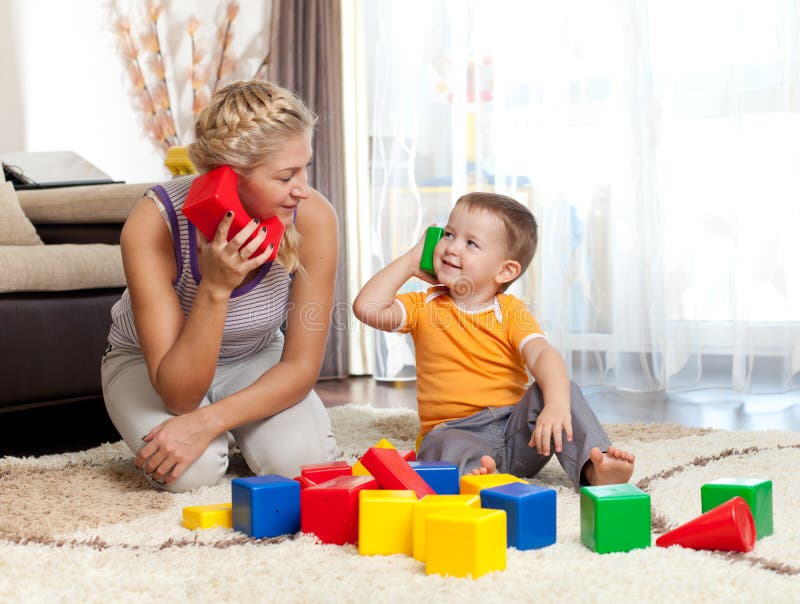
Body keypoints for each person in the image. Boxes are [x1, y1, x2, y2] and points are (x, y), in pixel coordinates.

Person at [102, 80, 338, 492]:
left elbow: (301, 367)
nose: (302, 189)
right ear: (226, 177)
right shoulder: (153, 223)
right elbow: (178, 397)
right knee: (191, 474)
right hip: (147, 364)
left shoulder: (314, 217)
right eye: (285, 176)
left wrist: (208, 421)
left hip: (253, 356)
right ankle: (228, 440)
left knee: (302, 466)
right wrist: (215, 287)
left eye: (305, 168)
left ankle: (235, 432)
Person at [353, 192, 634, 488]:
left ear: (505, 270)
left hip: (516, 431)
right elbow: (366, 308)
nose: (451, 248)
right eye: (448, 234)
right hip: (456, 433)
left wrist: (557, 404)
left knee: (560, 387)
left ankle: (595, 467)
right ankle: (478, 479)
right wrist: (411, 262)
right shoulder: (423, 305)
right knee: (439, 445)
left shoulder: (511, 311)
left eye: (470, 243)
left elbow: (541, 355)